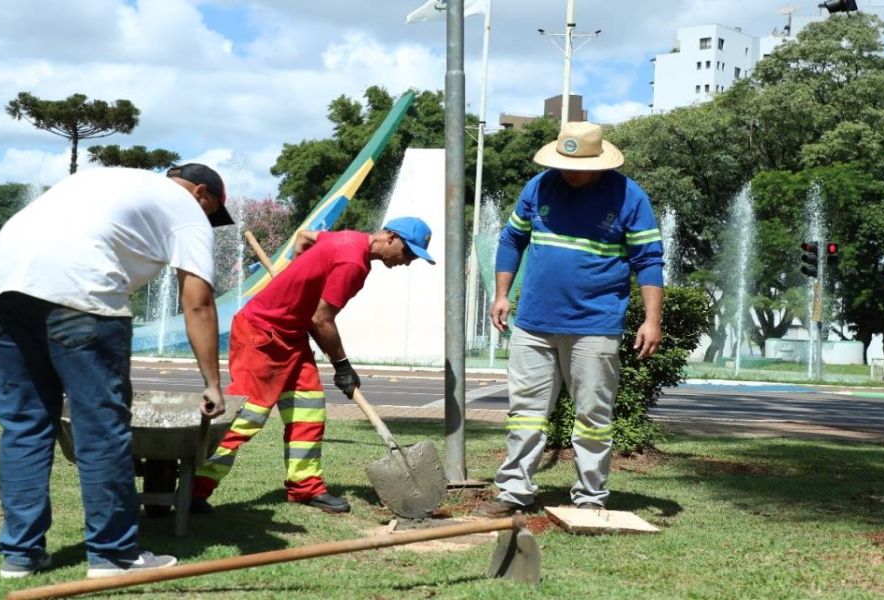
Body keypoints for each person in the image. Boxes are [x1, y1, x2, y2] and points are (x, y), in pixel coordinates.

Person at [0, 163, 233, 579]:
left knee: (25, 422)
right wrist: (212, 383)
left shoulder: (108, 179)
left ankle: (21, 555)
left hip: (4, 279)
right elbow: (198, 303)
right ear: (202, 194)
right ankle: (113, 555)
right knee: (101, 426)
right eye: (211, 212)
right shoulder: (188, 212)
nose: (207, 223)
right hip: (80, 287)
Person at [474, 121, 664, 517]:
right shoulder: (540, 186)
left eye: (576, 165)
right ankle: (513, 491)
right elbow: (512, 239)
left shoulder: (629, 196)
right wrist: (502, 294)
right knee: (524, 411)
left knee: (593, 416)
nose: (568, 171)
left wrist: (652, 320)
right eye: (563, 162)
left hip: (595, 326)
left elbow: (648, 260)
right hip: (533, 324)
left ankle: (590, 497)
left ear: (600, 163)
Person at [192, 217, 435, 514]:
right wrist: (342, 365)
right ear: (391, 238)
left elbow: (304, 237)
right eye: (408, 254)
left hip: (290, 336)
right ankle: (194, 489)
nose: (407, 262)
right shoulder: (354, 264)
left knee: (308, 410)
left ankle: (305, 487)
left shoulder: (347, 238)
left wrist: (296, 273)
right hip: (262, 334)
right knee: (247, 416)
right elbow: (321, 319)